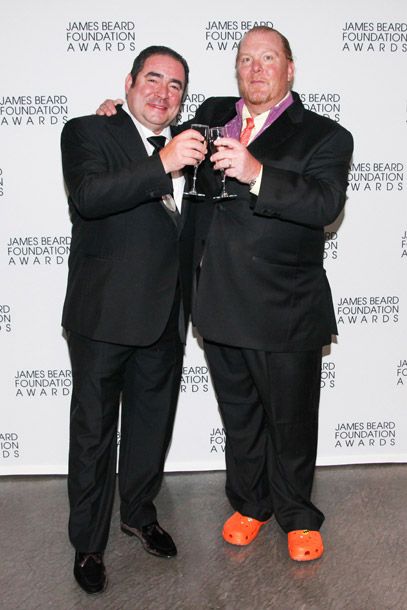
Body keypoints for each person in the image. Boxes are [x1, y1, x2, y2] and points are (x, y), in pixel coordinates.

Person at [97, 26, 353, 562]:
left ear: (289, 69)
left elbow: (325, 204)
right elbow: (159, 127)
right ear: (236, 69)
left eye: (268, 58)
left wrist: (258, 173)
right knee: (240, 418)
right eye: (246, 59)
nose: (256, 69)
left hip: (285, 307)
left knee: (290, 420)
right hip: (215, 299)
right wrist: (119, 118)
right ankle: (251, 503)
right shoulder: (213, 113)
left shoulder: (326, 135)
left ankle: (297, 515)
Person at [61, 46, 206, 594]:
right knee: (94, 436)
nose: (162, 93)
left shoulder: (195, 140)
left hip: (166, 316)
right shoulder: (87, 131)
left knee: (151, 427)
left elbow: (252, 112)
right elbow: (89, 196)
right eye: (153, 79)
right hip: (104, 315)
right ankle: (88, 544)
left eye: (175, 85)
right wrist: (161, 162)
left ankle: (140, 514)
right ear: (128, 83)